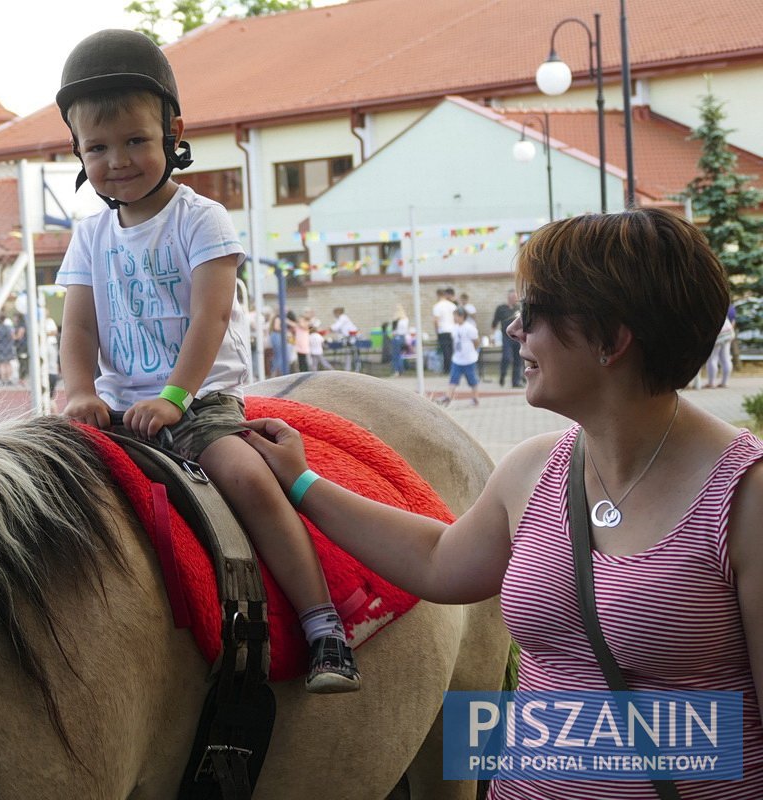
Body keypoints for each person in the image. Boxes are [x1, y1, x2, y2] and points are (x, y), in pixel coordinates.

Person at [243, 208, 762, 797]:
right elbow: (439, 560)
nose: (515, 331)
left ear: (613, 340)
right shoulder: (535, 467)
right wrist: (303, 483)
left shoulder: (747, 495)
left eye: (533, 314)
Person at [55, 28, 359, 693]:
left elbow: (210, 318)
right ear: (77, 152)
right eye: (98, 148)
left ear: (172, 133)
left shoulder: (202, 219)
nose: (119, 161)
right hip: (112, 407)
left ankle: (324, 626)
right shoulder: (89, 235)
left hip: (197, 402)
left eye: (136, 140)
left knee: (247, 479)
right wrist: (77, 390)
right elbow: (76, 326)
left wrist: (173, 397)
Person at [440, 306, 480, 406]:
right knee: (453, 379)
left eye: (455, 316)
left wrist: (472, 351)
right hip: (457, 359)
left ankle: (475, 398)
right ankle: (448, 397)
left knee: (472, 380)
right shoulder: (455, 327)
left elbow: (476, 341)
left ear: (462, 316)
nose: (454, 318)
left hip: (468, 360)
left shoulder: (470, 328)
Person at [432, 287, 457, 374]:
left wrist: (436, 331)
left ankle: (447, 369)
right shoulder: (452, 305)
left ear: (438, 295)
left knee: (445, 351)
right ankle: (453, 368)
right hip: (453, 330)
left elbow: (436, 320)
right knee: (452, 350)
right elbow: (456, 319)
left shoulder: (437, 306)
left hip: (443, 330)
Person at [706, 312, 734, 388]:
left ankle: (711, 383)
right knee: (726, 359)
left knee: (712, 359)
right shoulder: (720, 306)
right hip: (728, 332)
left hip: (717, 334)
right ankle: (725, 382)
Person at [391, 305, 410, 377]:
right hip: (403, 338)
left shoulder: (396, 320)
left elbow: (393, 331)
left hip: (396, 337)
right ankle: (402, 370)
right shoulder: (406, 319)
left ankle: (396, 371)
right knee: (401, 355)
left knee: (395, 355)